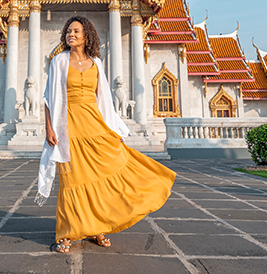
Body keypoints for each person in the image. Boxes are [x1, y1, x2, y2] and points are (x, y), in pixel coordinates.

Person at [37, 16, 176, 253]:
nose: (71, 34)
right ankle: (67, 232)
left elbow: (104, 101)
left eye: (76, 31)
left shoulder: (96, 63)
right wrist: (49, 128)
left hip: (94, 125)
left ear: (86, 36)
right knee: (71, 181)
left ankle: (97, 227)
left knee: (102, 177)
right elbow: (49, 100)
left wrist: (113, 129)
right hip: (68, 127)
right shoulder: (59, 61)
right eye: (68, 31)